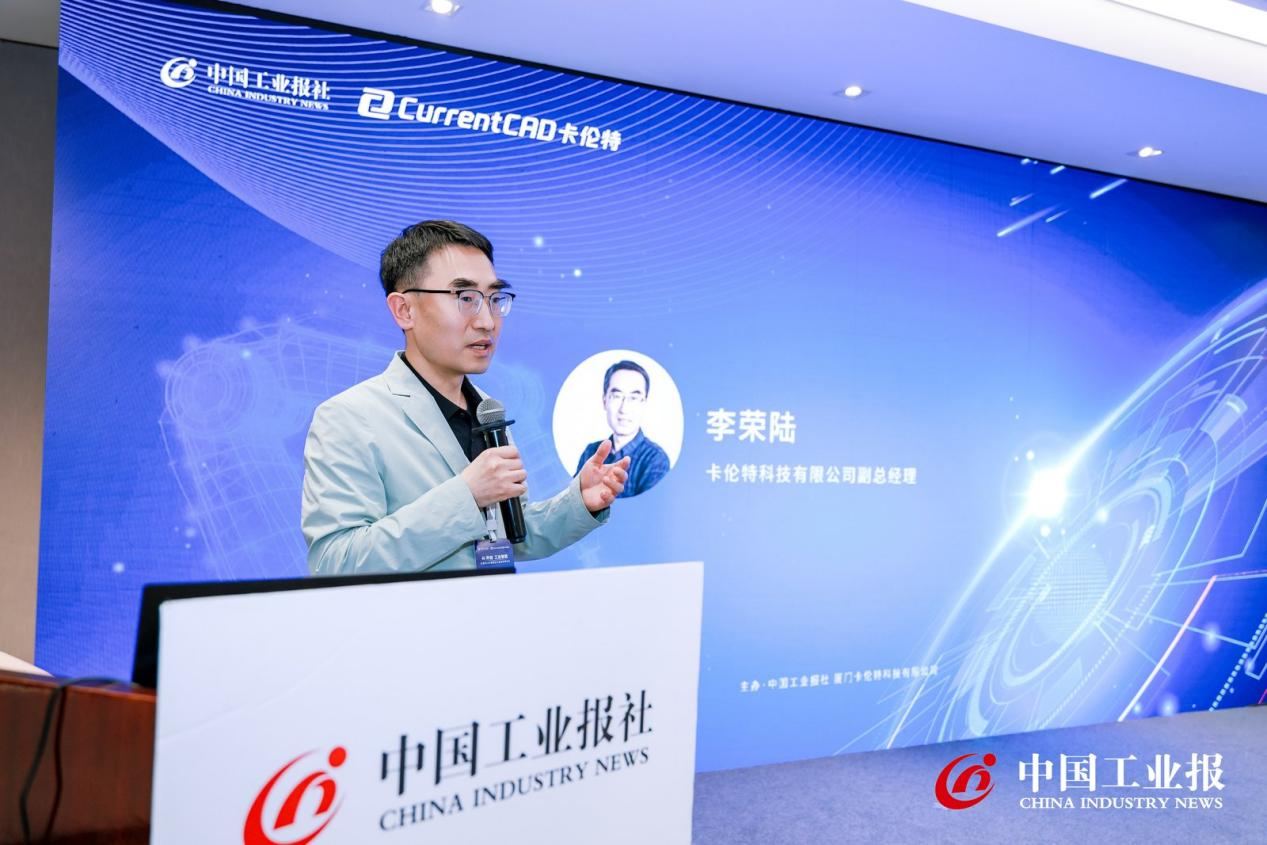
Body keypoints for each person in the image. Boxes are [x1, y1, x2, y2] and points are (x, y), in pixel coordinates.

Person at [302, 220, 629, 574]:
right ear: (404, 310)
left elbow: (508, 537)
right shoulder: (348, 417)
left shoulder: (488, 411)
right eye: (466, 298)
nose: (487, 321)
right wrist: (466, 495)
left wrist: (578, 502)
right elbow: (336, 561)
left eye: (494, 299)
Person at [574, 360, 670, 498]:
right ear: (604, 401)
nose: (624, 409)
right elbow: (571, 502)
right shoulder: (591, 451)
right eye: (617, 396)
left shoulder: (655, 460)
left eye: (634, 398)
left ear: (644, 403)